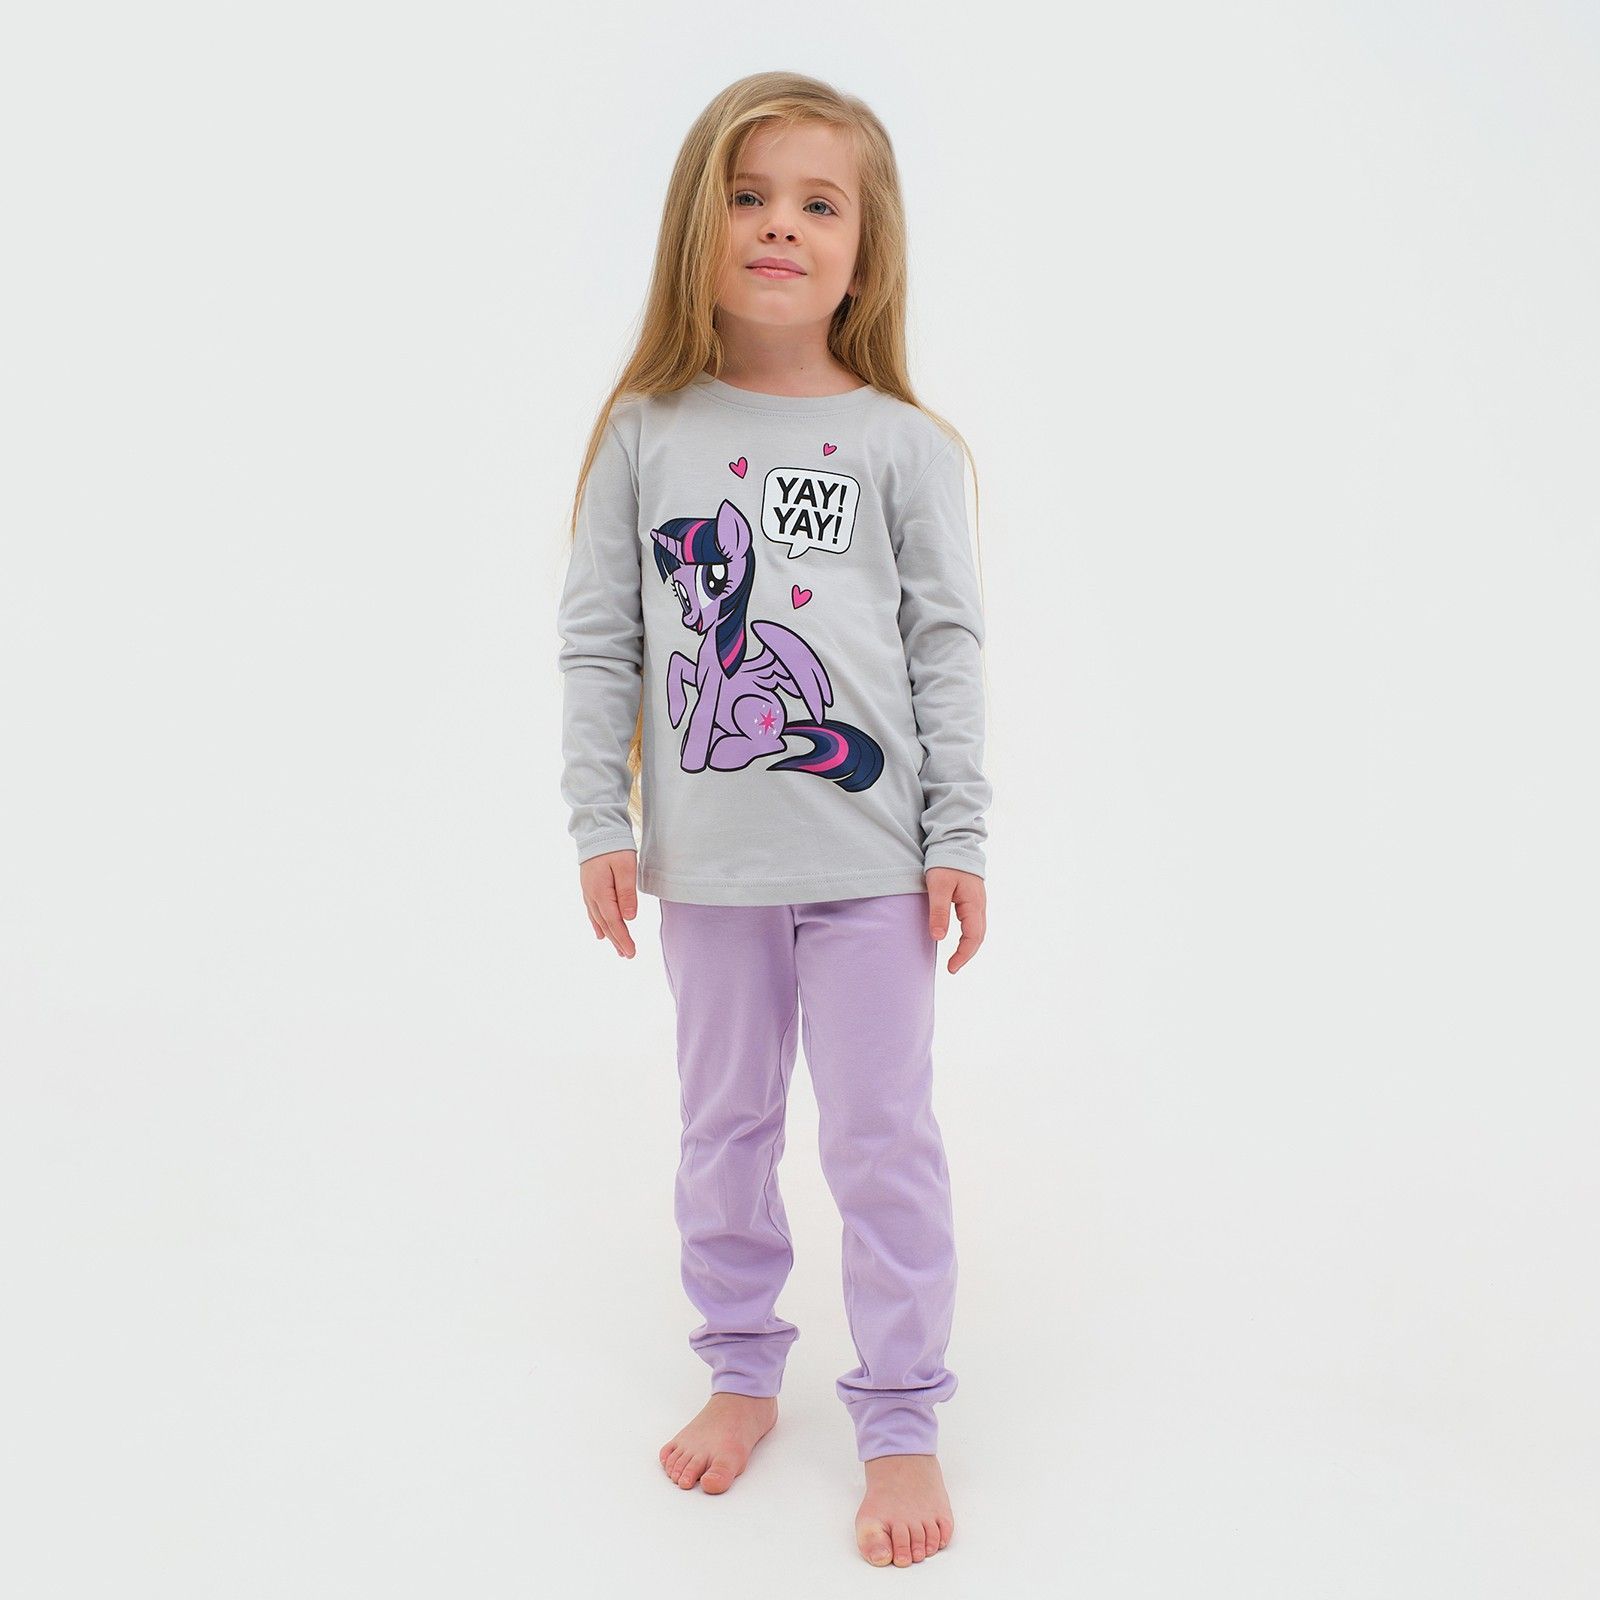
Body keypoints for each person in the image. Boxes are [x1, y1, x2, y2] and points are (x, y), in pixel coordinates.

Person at [555, 70, 992, 1570]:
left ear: (866, 251)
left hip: (873, 865)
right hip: (713, 870)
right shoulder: (647, 433)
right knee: (725, 1127)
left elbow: (945, 648)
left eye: (819, 204)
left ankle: (901, 1415)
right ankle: (742, 1367)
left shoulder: (904, 446)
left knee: (881, 1136)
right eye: (749, 196)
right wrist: (598, 818)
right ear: (700, 222)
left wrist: (959, 836)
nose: (781, 226)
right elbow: (601, 640)